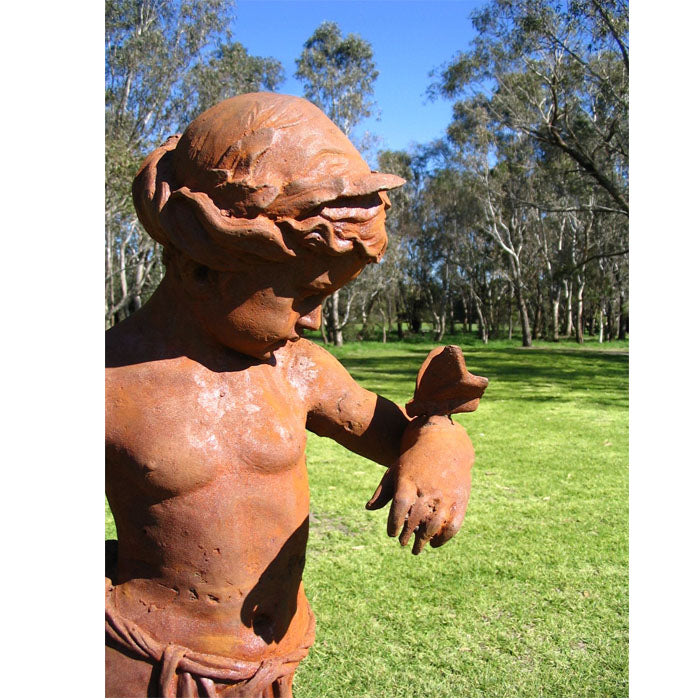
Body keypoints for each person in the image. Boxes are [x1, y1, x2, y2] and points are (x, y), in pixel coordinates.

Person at [105, 93, 484, 698]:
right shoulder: (106, 383)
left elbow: (410, 433)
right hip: (145, 668)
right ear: (206, 266)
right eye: (305, 295)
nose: (315, 321)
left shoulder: (297, 370)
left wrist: (443, 445)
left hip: (275, 667)